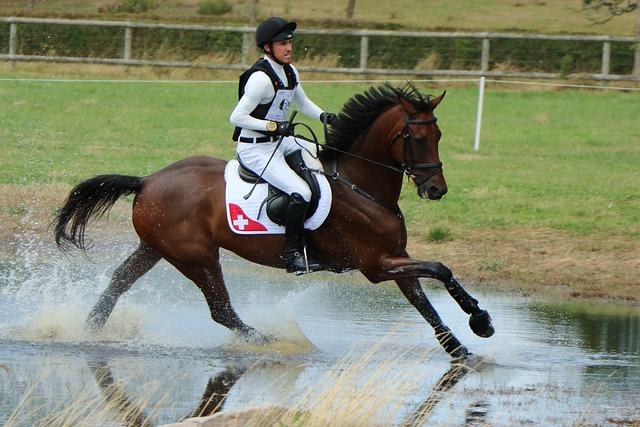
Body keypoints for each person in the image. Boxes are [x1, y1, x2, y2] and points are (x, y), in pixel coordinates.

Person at [229, 17, 337, 274]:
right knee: (302, 192)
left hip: (280, 142)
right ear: (268, 47)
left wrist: (324, 116)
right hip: (255, 148)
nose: (288, 48)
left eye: (289, 42)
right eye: (282, 44)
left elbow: (303, 103)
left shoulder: (290, 71)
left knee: (322, 157)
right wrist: (274, 127)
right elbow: (236, 117)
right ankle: (292, 256)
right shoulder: (260, 79)